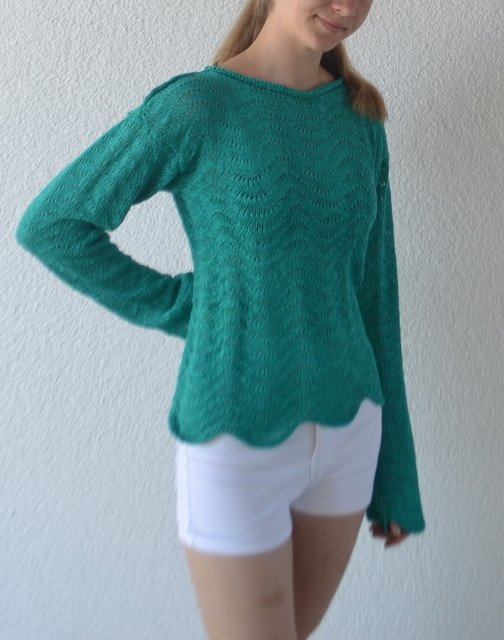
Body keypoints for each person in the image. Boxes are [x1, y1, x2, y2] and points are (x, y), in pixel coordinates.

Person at [15, 0, 426, 638]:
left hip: (350, 433)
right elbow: (55, 223)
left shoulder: (359, 120)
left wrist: (397, 472)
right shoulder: (198, 107)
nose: (348, 7)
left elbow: (377, 296)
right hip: (235, 434)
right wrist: (191, 305)